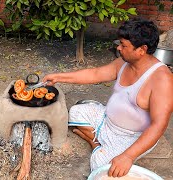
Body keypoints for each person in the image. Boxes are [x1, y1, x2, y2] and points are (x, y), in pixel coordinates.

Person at [43, 18, 173, 177]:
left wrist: (128, 156)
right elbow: (95, 74)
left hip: (131, 136)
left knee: (102, 166)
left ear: (142, 49)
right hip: (106, 120)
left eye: (124, 46)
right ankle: (98, 142)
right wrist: (59, 77)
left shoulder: (162, 79)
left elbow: (158, 126)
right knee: (75, 111)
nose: (119, 48)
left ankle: (94, 142)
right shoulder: (124, 62)